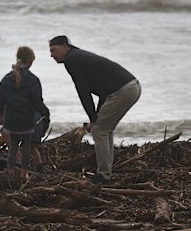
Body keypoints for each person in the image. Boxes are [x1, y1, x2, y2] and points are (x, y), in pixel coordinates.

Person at [49, 35, 141, 185]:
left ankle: (103, 176)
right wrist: (96, 116)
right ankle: (106, 173)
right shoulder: (77, 56)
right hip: (130, 87)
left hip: (124, 90)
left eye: (54, 50)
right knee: (104, 129)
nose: (51, 55)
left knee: (99, 131)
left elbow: (82, 90)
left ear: (65, 46)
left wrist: (93, 118)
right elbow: (104, 92)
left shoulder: (72, 59)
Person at [0, 46, 50, 180]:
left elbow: (1, 98)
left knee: (13, 147)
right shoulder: (33, 80)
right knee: (26, 147)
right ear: (31, 61)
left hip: (11, 120)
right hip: (27, 119)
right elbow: (37, 102)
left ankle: (10, 172)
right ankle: (24, 173)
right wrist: (46, 113)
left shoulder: (6, 78)